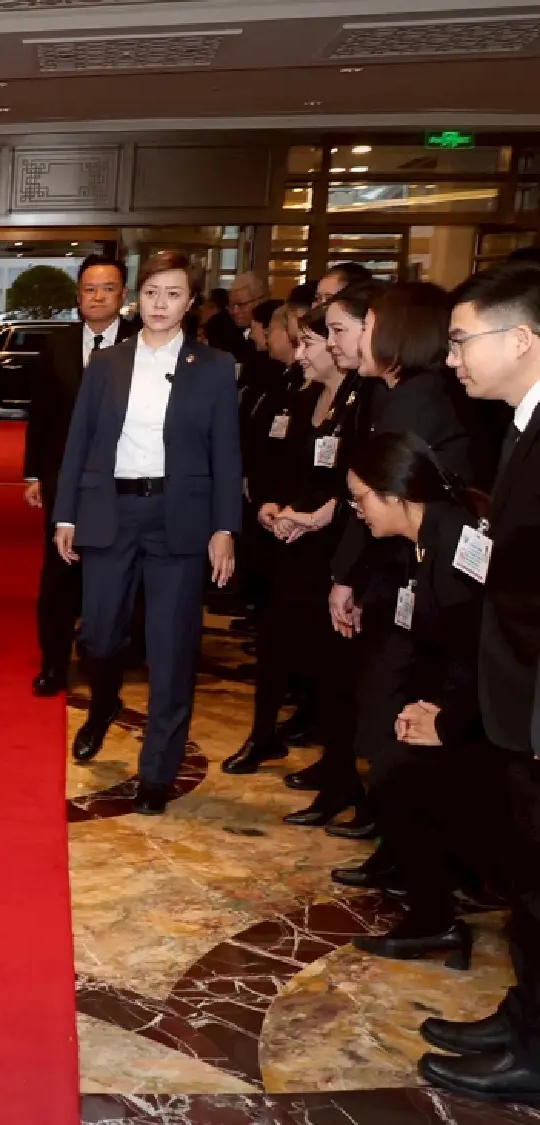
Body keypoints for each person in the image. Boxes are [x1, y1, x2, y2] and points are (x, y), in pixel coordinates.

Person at [54, 251, 241, 815]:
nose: (161, 304)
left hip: (179, 519)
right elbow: (79, 442)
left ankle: (156, 771)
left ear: (191, 304)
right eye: (154, 292)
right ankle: (105, 701)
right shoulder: (108, 364)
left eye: (174, 295)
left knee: (172, 647)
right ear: (140, 297)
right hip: (112, 511)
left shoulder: (212, 366)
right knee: (100, 639)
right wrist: (67, 514)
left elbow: (227, 455)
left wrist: (224, 527)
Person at [424, 260, 540, 1105]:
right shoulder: (519, 427)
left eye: (464, 340)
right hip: (514, 689)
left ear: (523, 339)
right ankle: (525, 1013)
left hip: (534, 695)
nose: (453, 357)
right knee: (526, 879)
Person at [333, 432, 495, 974]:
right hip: (463, 700)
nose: (358, 512)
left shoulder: (456, 543)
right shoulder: (419, 542)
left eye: (362, 499)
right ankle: (432, 897)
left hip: (494, 714)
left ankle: (437, 915)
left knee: (397, 773)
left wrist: (443, 721)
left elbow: (485, 653)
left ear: (397, 492)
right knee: (392, 760)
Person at [325, 282, 471, 855]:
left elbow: (387, 501)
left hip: (416, 576)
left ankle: (411, 858)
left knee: (398, 710)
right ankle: (396, 846)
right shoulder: (391, 394)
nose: (364, 334)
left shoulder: (418, 399)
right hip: (395, 571)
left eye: (372, 323)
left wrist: (346, 576)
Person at [237, 305, 371, 825]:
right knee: (276, 645)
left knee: (334, 669)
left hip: (333, 548)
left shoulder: (361, 403)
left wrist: (314, 516)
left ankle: (340, 776)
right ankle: (264, 737)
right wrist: (270, 507)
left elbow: (356, 481)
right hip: (287, 542)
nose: (304, 352)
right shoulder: (302, 397)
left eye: (313, 341)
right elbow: (276, 463)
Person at [26, 255, 135, 696]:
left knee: (116, 569)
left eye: (107, 288)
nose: (97, 296)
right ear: (78, 294)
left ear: (123, 296)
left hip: (124, 476)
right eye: (90, 288)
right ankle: (53, 663)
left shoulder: (141, 344)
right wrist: (33, 473)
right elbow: (42, 415)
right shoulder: (57, 345)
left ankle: (107, 657)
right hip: (64, 477)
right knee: (59, 571)